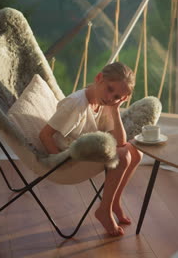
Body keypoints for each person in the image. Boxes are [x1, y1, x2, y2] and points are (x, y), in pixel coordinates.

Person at [39, 62, 143, 236]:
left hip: (87, 149)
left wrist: (115, 109)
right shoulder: (76, 104)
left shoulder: (104, 103)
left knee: (136, 152)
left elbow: (120, 141)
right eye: (110, 89)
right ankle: (104, 210)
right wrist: (58, 161)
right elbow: (45, 135)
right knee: (124, 156)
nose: (111, 97)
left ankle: (114, 201)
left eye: (117, 96)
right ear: (99, 78)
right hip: (69, 155)